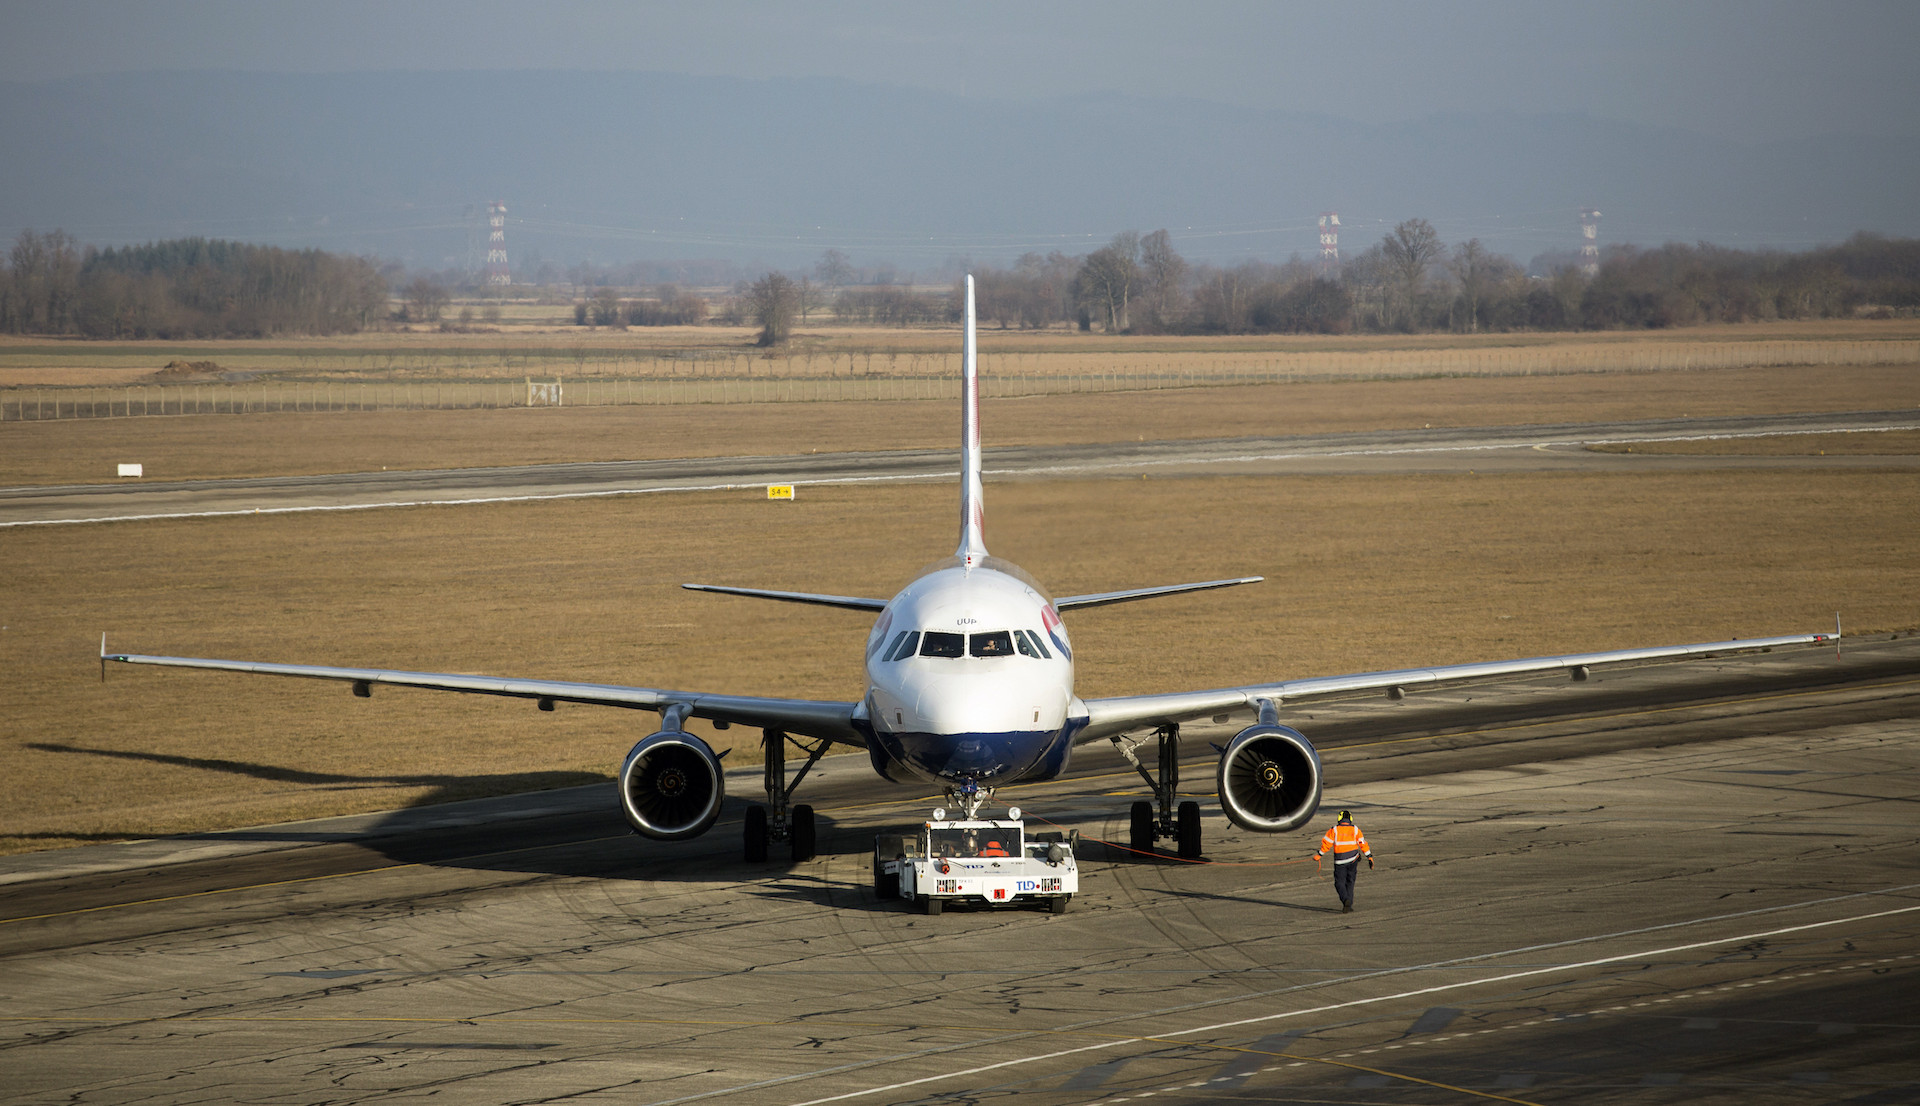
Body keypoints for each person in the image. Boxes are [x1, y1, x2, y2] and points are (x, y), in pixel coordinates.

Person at [1312, 809, 1374, 913]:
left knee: (1339, 883)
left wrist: (1319, 855)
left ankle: (1345, 900)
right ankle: (1348, 903)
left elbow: (1327, 843)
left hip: (1340, 861)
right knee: (1350, 882)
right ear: (1350, 819)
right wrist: (1369, 856)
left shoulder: (1334, 830)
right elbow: (1363, 843)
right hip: (1353, 859)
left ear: (1339, 819)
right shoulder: (1355, 829)